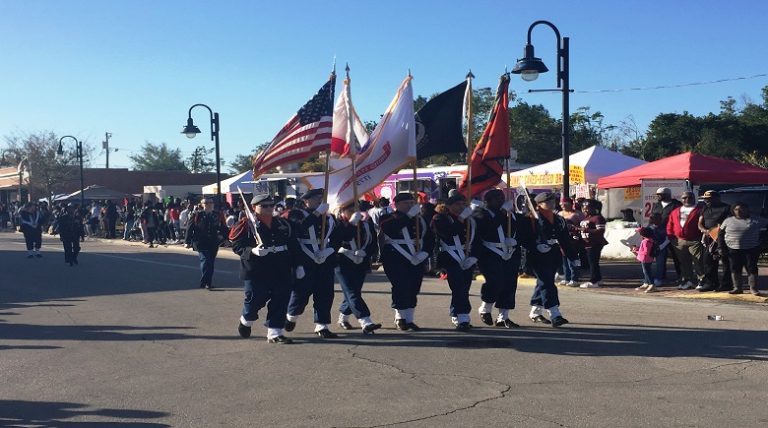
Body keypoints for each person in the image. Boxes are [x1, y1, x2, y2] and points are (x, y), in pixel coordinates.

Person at [231, 194, 298, 343]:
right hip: (257, 269)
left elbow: (293, 245)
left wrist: (297, 265)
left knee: (280, 299)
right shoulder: (246, 224)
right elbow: (236, 246)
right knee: (255, 300)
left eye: (271, 205)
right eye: (264, 206)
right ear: (254, 207)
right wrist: (252, 251)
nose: (269, 208)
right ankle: (246, 320)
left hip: (280, 268)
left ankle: (275, 332)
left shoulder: (282, 223)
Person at [284, 188, 341, 338]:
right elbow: (298, 228)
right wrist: (316, 214)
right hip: (305, 259)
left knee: (325, 293)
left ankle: (322, 325)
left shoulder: (329, 217)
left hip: (325, 260)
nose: (320, 201)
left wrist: (330, 251)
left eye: (321, 198)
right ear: (306, 200)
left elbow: (337, 238)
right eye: (316, 198)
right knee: (301, 293)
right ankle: (291, 316)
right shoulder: (296, 214)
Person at [472, 189, 528, 328]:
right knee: (495, 281)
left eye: (502, 198)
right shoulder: (481, 213)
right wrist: (502, 212)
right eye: (496, 199)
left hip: (510, 252)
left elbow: (520, 230)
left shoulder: (511, 215)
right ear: (488, 201)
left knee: (509, 285)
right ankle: (485, 309)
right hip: (490, 252)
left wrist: (517, 241)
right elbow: (486, 228)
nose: (500, 201)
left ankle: (503, 317)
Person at [379, 192, 434, 331]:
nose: (410, 205)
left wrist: (425, 253)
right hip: (395, 258)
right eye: (406, 203)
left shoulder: (421, 219)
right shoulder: (387, 217)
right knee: (400, 286)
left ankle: (409, 319)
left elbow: (429, 238)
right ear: (396, 205)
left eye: (412, 203)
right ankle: (400, 318)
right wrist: (409, 216)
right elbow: (391, 230)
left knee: (414, 287)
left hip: (416, 257)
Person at [526, 192, 578, 327]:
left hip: (553, 255)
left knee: (543, 282)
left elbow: (565, 240)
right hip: (537, 256)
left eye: (552, 201)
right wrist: (536, 245)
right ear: (538, 204)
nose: (551, 204)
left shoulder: (558, 219)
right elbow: (524, 239)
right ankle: (555, 313)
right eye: (547, 202)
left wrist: (573, 256)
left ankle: (535, 311)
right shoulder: (531, 219)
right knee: (547, 283)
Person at [334, 202, 382, 334]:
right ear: (342, 211)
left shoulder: (366, 224)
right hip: (342, 261)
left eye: (355, 209)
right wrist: (351, 224)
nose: (353, 212)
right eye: (349, 210)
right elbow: (338, 239)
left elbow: (373, 243)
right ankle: (366, 321)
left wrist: (366, 252)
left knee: (353, 291)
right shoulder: (337, 224)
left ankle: (343, 318)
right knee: (352, 292)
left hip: (360, 261)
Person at [432, 194, 477, 329]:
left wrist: (474, 256)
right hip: (450, 256)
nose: (461, 207)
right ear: (449, 206)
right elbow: (449, 233)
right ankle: (463, 318)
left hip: (467, 255)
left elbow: (476, 238)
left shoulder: (471, 219)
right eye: (458, 204)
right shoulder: (440, 218)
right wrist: (462, 219)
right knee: (459, 287)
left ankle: (455, 313)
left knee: (464, 287)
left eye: (463, 204)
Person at [718, 202, 767, 295]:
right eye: (736, 209)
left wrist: (763, 242)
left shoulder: (756, 220)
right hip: (733, 248)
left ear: (747, 209)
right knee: (735, 268)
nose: (739, 211)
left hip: (751, 248)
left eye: (741, 209)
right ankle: (737, 288)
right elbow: (720, 234)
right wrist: (721, 247)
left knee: (751, 268)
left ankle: (753, 289)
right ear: (733, 210)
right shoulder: (728, 221)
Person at [186, 198, 229, 290]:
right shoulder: (197, 215)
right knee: (205, 261)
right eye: (206, 203)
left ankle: (208, 282)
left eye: (211, 203)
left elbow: (223, 227)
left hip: (213, 242)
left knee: (211, 263)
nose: (209, 205)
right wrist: (187, 241)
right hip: (201, 242)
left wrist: (227, 238)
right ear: (202, 205)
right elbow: (190, 228)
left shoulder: (217, 215)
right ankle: (205, 282)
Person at [666, 191, 704, 290]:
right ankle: (688, 281)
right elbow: (670, 224)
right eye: (684, 198)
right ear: (681, 199)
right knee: (684, 263)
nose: (687, 199)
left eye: (689, 197)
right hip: (679, 241)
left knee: (698, 261)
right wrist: (672, 238)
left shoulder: (699, 210)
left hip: (695, 240)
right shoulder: (675, 211)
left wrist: (700, 238)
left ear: (694, 198)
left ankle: (701, 281)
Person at [697, 190, 732, 292]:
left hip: (722, 238)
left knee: (726, 262)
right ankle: (711, 283)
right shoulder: (704, 208)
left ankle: (726, 284)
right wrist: (704, 230)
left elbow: (729, 222)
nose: (707, 201)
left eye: (710, 199)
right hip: (708, 238)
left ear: (717, 198)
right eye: (706, 199)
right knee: (708, 261)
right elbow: (700, 223)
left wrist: (717, 231)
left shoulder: (727, 208)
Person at [650, 188, 683, 282]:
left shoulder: (677, 205)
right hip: (659, 234)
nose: (657, 196)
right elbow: (652, 218)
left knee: (677, 256)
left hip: (673, 234)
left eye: (659, 194)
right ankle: (661, 277)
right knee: (660, 257)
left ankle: (681, 277)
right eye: (657, 194)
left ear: (667, 195)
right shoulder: (656, 205)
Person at [579, 199, 608, 288]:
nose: (584, 210)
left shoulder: (598, 218)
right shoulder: (587, 218)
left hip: (595, 243)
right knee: (592, 262)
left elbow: (600, 231)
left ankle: (594, 280)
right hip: (587, 243)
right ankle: (598, 279)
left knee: (593, 262)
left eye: (587, 208)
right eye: (583, 208)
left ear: (594, 208)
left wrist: (586, 230)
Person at [558, 197, 585, 287]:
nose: (563, 206)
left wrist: (575, 229)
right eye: (562, 204)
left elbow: (583, 225)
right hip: (562, 239)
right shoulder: (559, 214)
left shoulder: (577, 214)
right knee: (564, 260)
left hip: (574, 240)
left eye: (566, 204)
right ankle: (567, 278)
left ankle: (574, 279)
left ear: (571, 204)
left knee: (573, 259)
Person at [632, 227, 657, 293]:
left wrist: (637, 252)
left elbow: (646, 252)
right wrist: (638, 249)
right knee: (646, 271)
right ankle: (646, 283)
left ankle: (652, 284)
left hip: (645, 259)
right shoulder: (649, 240)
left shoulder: (645, 241)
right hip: (648, 259)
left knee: (647, 272)